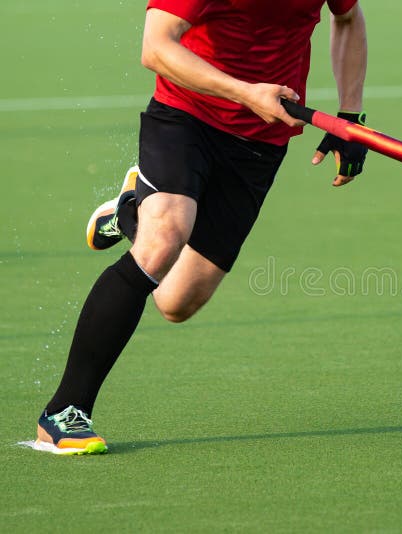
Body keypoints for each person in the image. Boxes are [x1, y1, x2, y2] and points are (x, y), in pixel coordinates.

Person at [33, 0, 368, 455]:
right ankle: (64, 412)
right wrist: (245, 92)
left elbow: (347, 18)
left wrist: (350, 117)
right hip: (185, 114)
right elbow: (155, 47)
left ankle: (132, 208)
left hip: (259, 143)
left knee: (175, 301)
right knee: (163, 241)